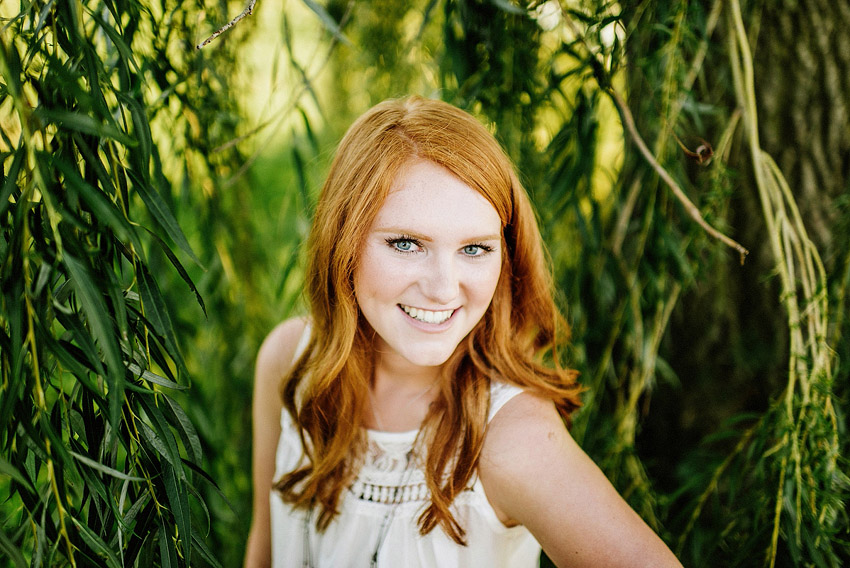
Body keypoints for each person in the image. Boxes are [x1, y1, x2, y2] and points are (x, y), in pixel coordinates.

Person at [244, 96, 682, 568]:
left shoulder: (512, 440)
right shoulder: (290, 361)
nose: (442, 288)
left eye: (474, 248)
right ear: (343, 241)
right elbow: (264, 548)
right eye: (406, 243)